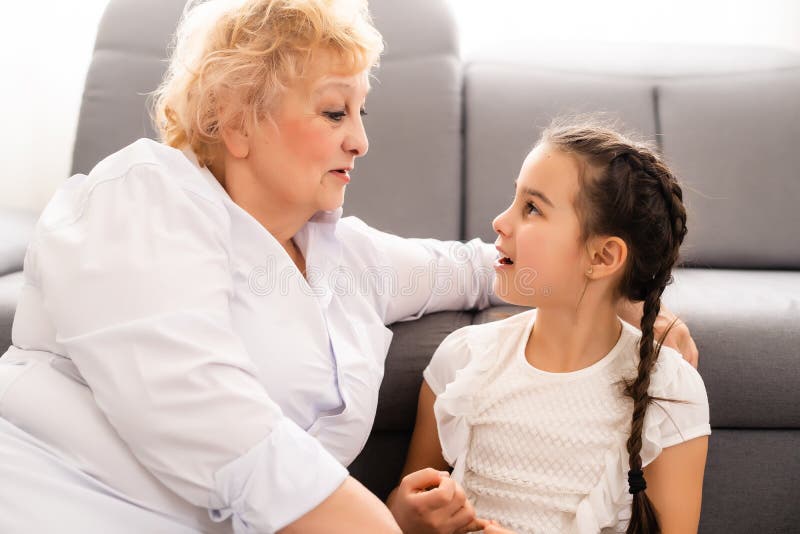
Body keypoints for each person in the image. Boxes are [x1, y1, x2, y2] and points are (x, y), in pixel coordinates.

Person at [0, 1, 698, 532]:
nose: (361, 140)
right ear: (235, 118)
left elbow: (480, 267)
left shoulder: (349, 257)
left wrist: (619, 295)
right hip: (53, 500)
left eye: (361, 111)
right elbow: (215, 426)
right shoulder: (141, 199)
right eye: (335, 111)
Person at [389, 120, 710, 534]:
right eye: (515, 199)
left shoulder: (671, 390)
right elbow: (399, 508)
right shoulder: (465, 358)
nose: (499, 221)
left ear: (603, 257)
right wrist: (403, 513)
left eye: (532, 208)